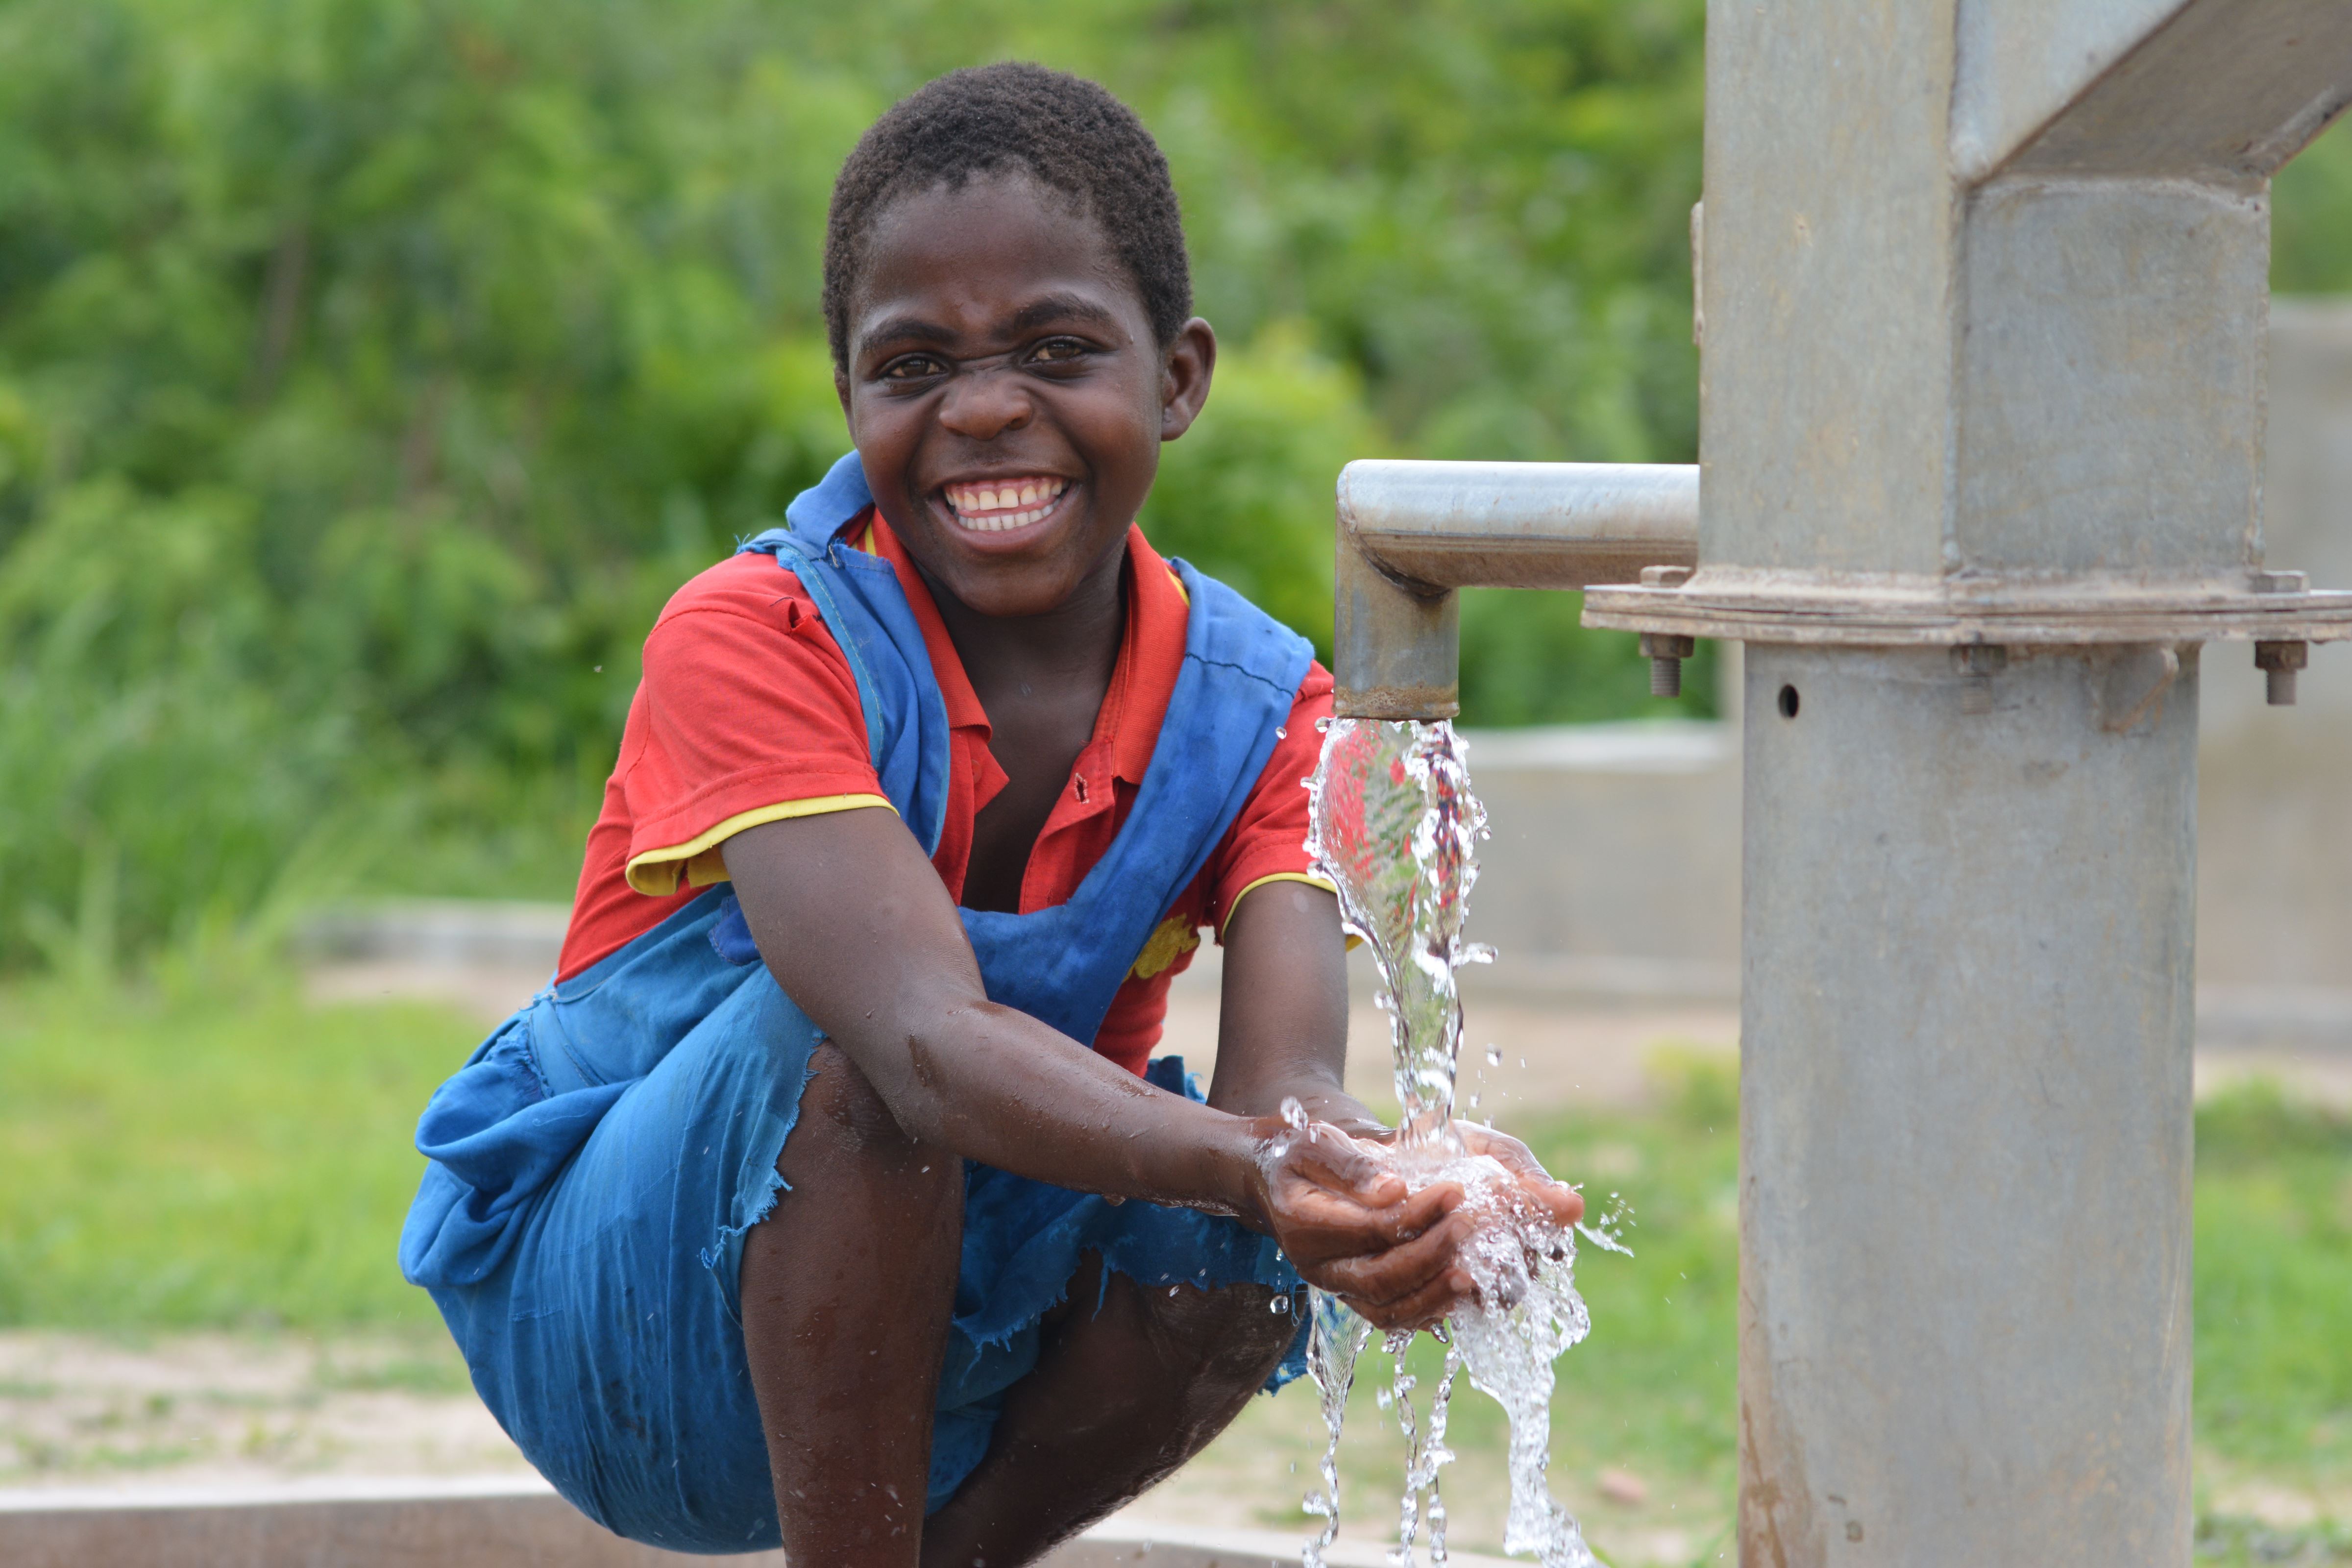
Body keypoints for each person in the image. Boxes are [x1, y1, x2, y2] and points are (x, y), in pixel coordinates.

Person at [399, 61, 1583, 1568]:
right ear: (851, 396)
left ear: (1179, 377)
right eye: (913, 367)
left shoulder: (1262, 707)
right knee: (863, 1065)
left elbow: (1286, 1092)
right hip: (624, 1329)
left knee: (1246, 1220)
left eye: (1056, 348)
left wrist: (1397, 1187)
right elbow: (916, 1044)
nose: (985, 409)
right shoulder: (760, 637)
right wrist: (1258, 1163)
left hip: (952, 1326)